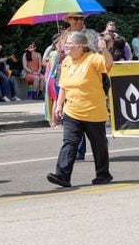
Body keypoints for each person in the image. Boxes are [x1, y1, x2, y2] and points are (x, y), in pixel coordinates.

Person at [47, 32, 113, 188]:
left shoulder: (92, 58)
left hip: (93, 111)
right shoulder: (67, 62)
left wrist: (104, 50)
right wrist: (59, 104)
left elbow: (108, 64)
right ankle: (62, 176)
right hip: (72, 110)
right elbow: (64, 85)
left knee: (98, 144)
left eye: (69, 43)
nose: (66, 46)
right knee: (69, 142)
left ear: (79, 46)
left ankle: (103, 174)